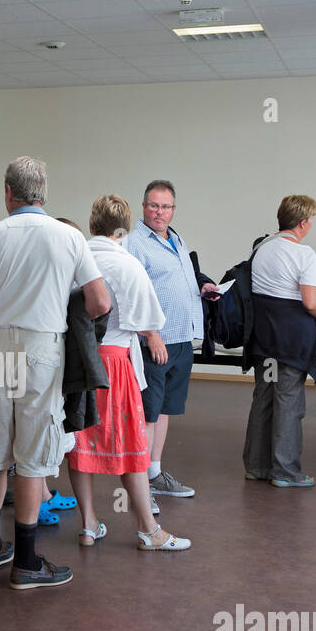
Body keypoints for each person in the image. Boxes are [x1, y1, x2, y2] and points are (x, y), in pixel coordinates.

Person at [0, 156, 110, 591]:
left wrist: (3, 313)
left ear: (8, 193)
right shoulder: (68, 237)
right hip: (42, 348)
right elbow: (100, 303)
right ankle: (26, 562)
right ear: (43, 192)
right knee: (34, 454)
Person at [66, 194, 188, 551]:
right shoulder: (129, 264)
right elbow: (149, 321)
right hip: (115, 361)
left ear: (92, 222)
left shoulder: (78, 258)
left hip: (78, 360)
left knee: (80, 438)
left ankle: (88, 524)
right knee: (131, 443)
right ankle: (148, 529)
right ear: (124, 226)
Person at [124, 179, 220, 504]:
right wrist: (150, 334)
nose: (159, 212)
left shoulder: (175, 238)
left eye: (165, 207)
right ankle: (140, 490)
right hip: (155, 341)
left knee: (163, 411)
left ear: (173, 209)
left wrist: (202, 288)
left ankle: (154, 472)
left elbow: (179, 279)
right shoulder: (135, 243)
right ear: (143, 207)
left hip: (180, 339)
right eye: (154, 205)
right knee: (147, 414)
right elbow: (131, 295)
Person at [243, 195, 316, 487]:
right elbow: (310, 303)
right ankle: (285, 472)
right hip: (290, 341)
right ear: (303, 222)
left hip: (263, 338)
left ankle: (256, 467)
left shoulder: (261, 248)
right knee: (288, 400)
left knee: (264, 397)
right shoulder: (304, 254)